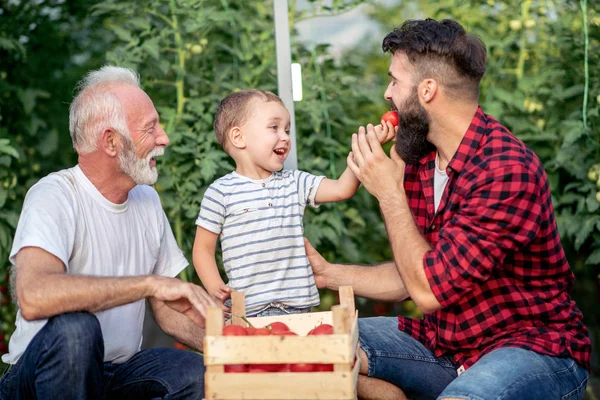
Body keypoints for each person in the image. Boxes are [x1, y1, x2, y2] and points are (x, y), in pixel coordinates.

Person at [304, 18, 591, 400]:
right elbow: (419, 270)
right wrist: (327, 274)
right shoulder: (421, 160)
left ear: (427, 90)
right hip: (447, 345)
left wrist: (389, 192)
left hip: (531, 350)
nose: (387, 94)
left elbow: (427, 291)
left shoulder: (505, 171)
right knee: (311, 348)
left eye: (394, 81)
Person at [0, 66, 216, 400]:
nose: (164, 138)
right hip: (41, 376)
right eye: (150, 128)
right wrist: (146, 284)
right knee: (76, 331)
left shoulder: (147, 200)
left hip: (117, 373)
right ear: (111, 142)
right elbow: (33, 295)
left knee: (195, 376)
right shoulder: (55, 195)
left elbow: (167, 308)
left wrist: (225, 343)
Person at [193, 90, 395, 317]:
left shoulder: (294, 182)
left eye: (287, 130)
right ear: (239, 137)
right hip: (248, 312)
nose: (286, 136)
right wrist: (214, 289)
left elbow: (341, 189)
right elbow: (202, 249)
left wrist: (366, 149)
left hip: (299, 309)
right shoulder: (220, 192)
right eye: (274, 127)